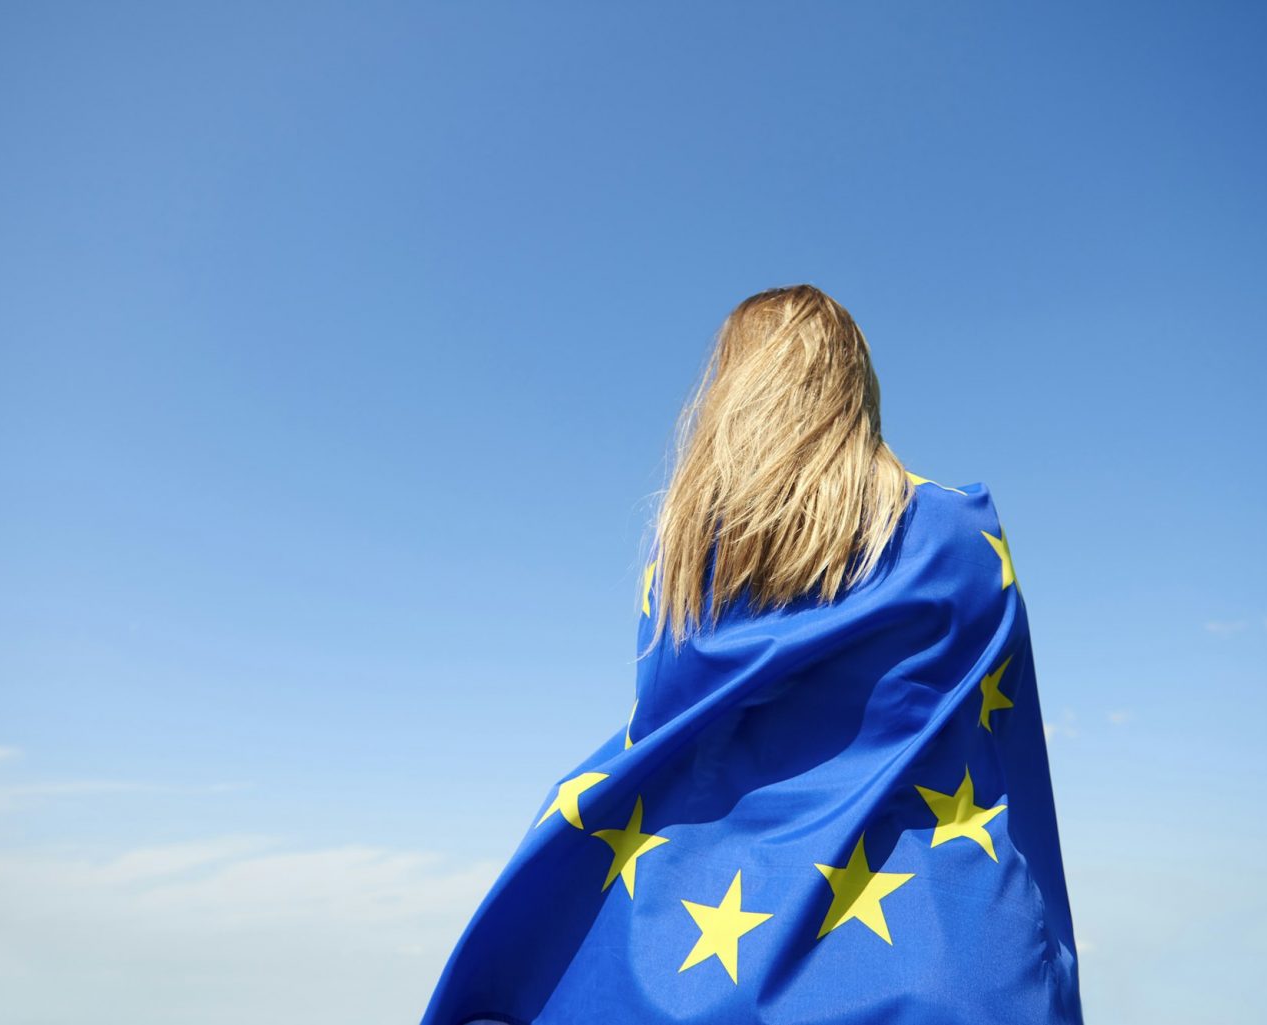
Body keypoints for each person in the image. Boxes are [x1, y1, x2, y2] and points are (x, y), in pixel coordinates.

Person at [419, 284, 1084, 1024]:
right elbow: (1007, 742)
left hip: (700, 966)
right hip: (947, 957)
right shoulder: (959, 532)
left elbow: (672, 731)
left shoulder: (683, 560)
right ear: (856, 386)